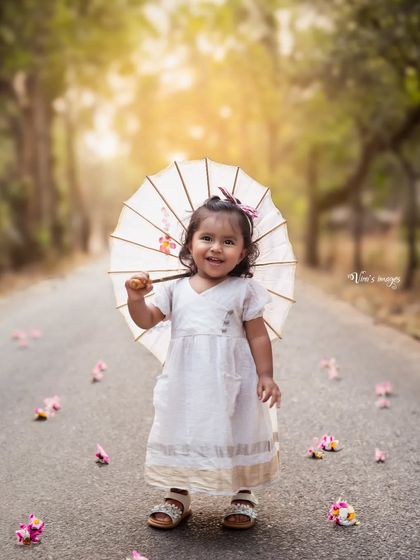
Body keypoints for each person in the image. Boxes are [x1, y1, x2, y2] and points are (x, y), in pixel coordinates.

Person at [125, 189, 282, 530]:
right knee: (183, 427)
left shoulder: (245, 291)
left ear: (243, 253)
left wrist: (265, 375)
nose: (215, 248)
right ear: (190, 244)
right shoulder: (173, 290)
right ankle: (178, 494)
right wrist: (136, 298)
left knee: (237, 427)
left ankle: (243, 493)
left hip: (234, 381)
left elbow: (257, 335)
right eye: (206, 238)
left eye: (228, 242)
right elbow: (147, 319)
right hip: (186, 381)